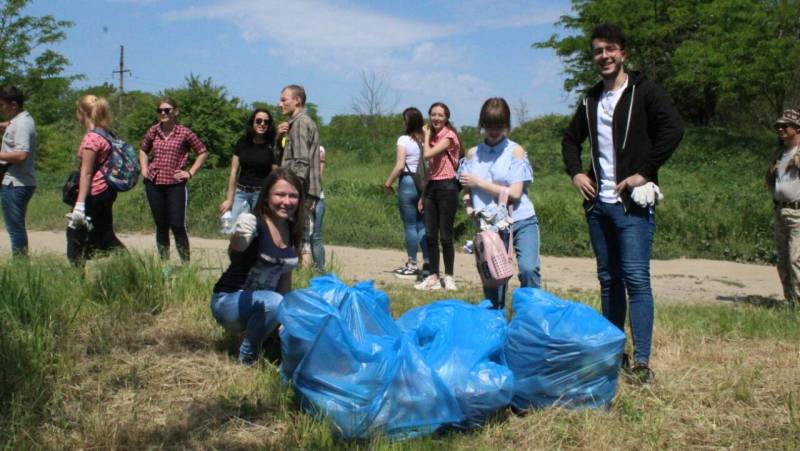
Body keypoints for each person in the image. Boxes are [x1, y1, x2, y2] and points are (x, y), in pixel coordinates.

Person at [561, 23, 684, 384]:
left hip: (632, 206)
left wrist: (644, 172)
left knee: (635, 279)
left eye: (610, 49)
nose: (604, 56)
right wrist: (576, 173)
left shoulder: (644, 92)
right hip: (598, 207)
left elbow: (673, 129)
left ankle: (642, 363)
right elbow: (570, 140)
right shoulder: (590, 99)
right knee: (608, 280)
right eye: (598, 50)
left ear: (623, 53)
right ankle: (615, 354)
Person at [210, 167, 303, 365]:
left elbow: (285, 278)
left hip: (266, 304)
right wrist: (238, 235)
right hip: (228, 302)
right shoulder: (254, 223)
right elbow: (236, 250)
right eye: (280, 194)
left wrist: (285, 318)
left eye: (293, 196)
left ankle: (269, 342)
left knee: (293, 307)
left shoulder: (292, 229)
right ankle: (247, 358)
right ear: (267, 196)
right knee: (275, 302)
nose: (286, 201)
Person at [459, 97, 540, 309]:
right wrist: (469, 204)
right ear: (482, 124)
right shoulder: (473, 154)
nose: (494, 131)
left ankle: (531, 318)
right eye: (489, 125)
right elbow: (466, 188)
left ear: (507, 125)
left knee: (529, 269)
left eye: (499, 126)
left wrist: (479, 182)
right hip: (489, 227)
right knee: (494, 279)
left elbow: (514, 192)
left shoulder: (515, 151)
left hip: (521, 219)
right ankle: (495, 324)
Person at [139, 97, 208, 262]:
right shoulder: (153, 131)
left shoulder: (184, 132)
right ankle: (165, 266)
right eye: (160, 110)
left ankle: (186, 265)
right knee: (161, 226)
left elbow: (203, 152)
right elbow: (143, 150)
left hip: (175, 184)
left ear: (175, 111)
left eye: (167, 110)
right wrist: (144, 169)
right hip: (154, 183)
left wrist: (190, 172)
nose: (163, 113)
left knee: (177, 225)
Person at [64, 95, 127, 266]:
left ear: (82, 112)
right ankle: (131, 266)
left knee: (74, 234)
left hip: (94, 192)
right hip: (106, 191)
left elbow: (86, 172)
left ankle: (77, 279)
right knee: (105, 234)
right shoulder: (105, 133)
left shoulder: (92, 138)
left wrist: (80, 204)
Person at [415, 102, 462, 291]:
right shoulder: (433, 138)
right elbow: (430, 170)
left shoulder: (449, 137)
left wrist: (425, 136)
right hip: (432, 187)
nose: (436, 118)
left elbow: (427, 155)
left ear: (446, 117)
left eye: (440, 115)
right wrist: (423, 195)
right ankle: (433, 276)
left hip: (447, 187)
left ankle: (449, 276)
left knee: (446, 235)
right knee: (430, 235)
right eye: (433, 114)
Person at [276, 84, 321, 268]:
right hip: (301, 188)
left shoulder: (301, 123)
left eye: (284, 99)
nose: (280, 104)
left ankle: (302, 278)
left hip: (299, 188)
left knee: (301, 236)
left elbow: (301, 162)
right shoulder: (295, 124)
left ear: (297, 100)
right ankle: (300, 276)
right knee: (299, 234)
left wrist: (291, 190)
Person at [383, 107, 430, 280]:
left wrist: (388, 183)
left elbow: (400, 165)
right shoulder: (426, 140)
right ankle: (428, 262)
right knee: (422, 225)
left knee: (410, 226)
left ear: (409, 122)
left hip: (408, 182)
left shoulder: (403, 139)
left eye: (404, 119)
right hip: (424, 185)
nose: (403, 122)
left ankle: (411, 264)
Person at [219, 108, 277, 230]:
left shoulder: (271, 146)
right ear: (252, 122)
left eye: (266, 122)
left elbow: (275, 175)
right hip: (241, 193)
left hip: (260, 194)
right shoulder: (242, 142)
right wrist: (229, 200)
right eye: (259, 121)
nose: (262, 124)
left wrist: (271, 198)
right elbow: (234, 172)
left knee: (258, 230)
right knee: (235, 230)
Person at [767, 108, 800, 310]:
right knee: (783, 260)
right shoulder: (780, 154)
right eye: (778, 126)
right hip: (780, 211)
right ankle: (791, 302)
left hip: (797, 213)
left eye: (784, 126)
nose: (780, 129)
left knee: (796, 259)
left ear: (797, 128)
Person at [0, 86, 36, 256]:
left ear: (13, 104)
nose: (1, 108)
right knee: (15, 226)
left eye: (3, 105)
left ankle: (20, 267)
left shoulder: (22, 124)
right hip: (15, 182)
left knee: (15, 229)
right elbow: (8, 126)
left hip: (16, 183)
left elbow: (22, 155)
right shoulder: (19, 120)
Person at [310, 144, 326, 272]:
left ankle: (319, 267)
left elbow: (319, 177)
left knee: (316, 235)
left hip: (317, 198)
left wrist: (313, 196)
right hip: (301, 199)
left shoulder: (320, 149)